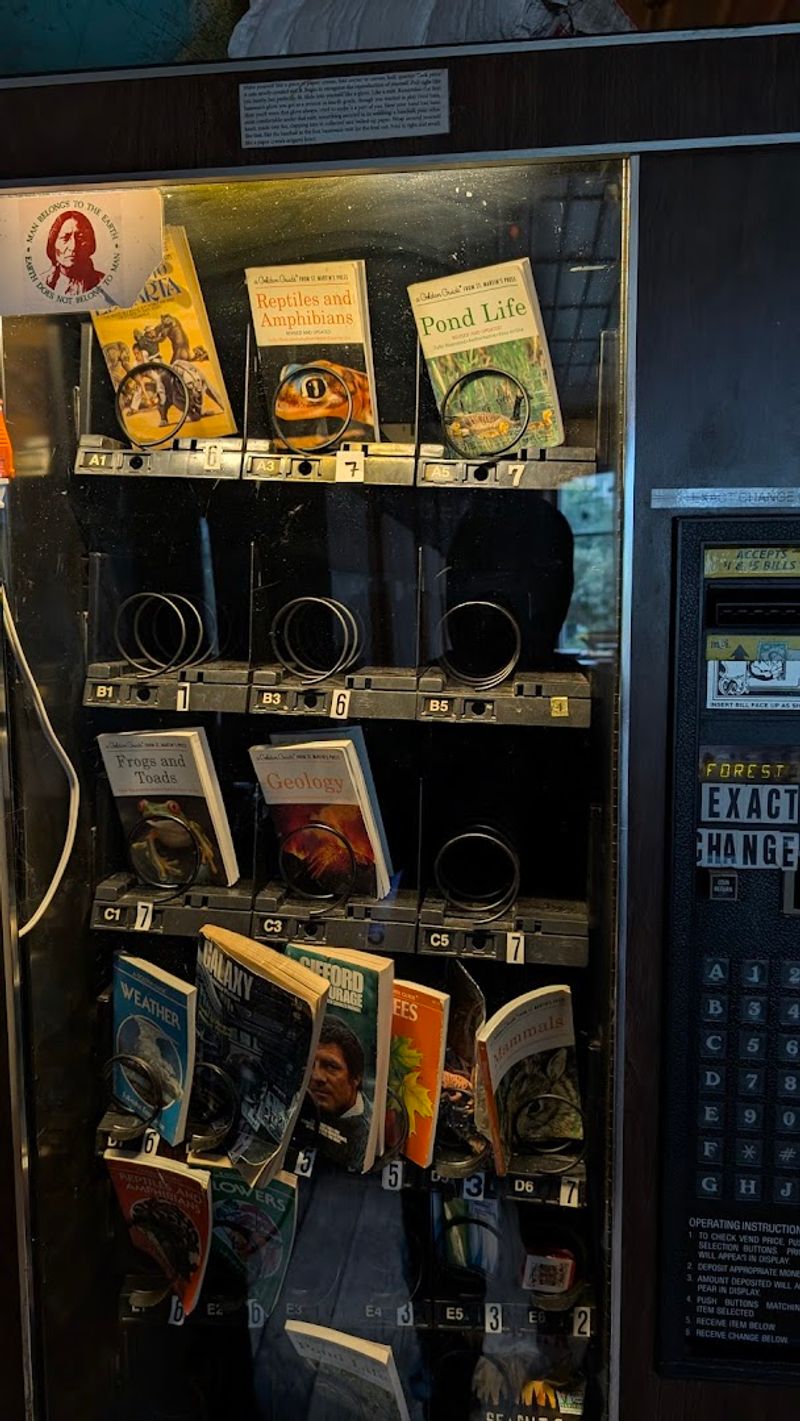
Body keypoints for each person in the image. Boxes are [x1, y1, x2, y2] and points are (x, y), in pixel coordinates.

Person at [309, 1017, 371, 1168]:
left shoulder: (374, 1136)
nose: (316, 1076)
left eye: (330, 1066)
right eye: (310, 1064)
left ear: (356, 1077)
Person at [44, 210, 105, 294]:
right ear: (53, 243)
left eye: (80, 238)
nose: (73, 247)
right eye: (65, 238)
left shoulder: (104, 283)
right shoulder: (44, 282)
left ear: (90, 243)